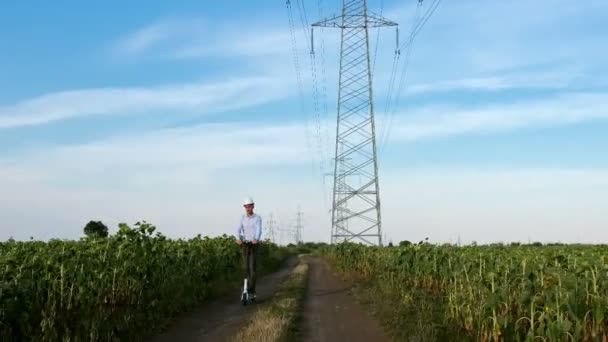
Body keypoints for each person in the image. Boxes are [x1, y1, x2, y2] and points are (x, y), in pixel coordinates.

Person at [236, 196, 262, 299]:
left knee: (252, 269)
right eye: (246, 207)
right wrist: (238, 239)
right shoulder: (242, 217)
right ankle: (244, 288)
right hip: (245, 244)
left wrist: (256, 238)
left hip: (254, 244)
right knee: (245, 267)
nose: (248, 208)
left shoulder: (257, 217)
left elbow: (259, 230)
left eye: (250, 206)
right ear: (244, 207)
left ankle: (252, 289)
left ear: (253, 206)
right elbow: (238, 229)